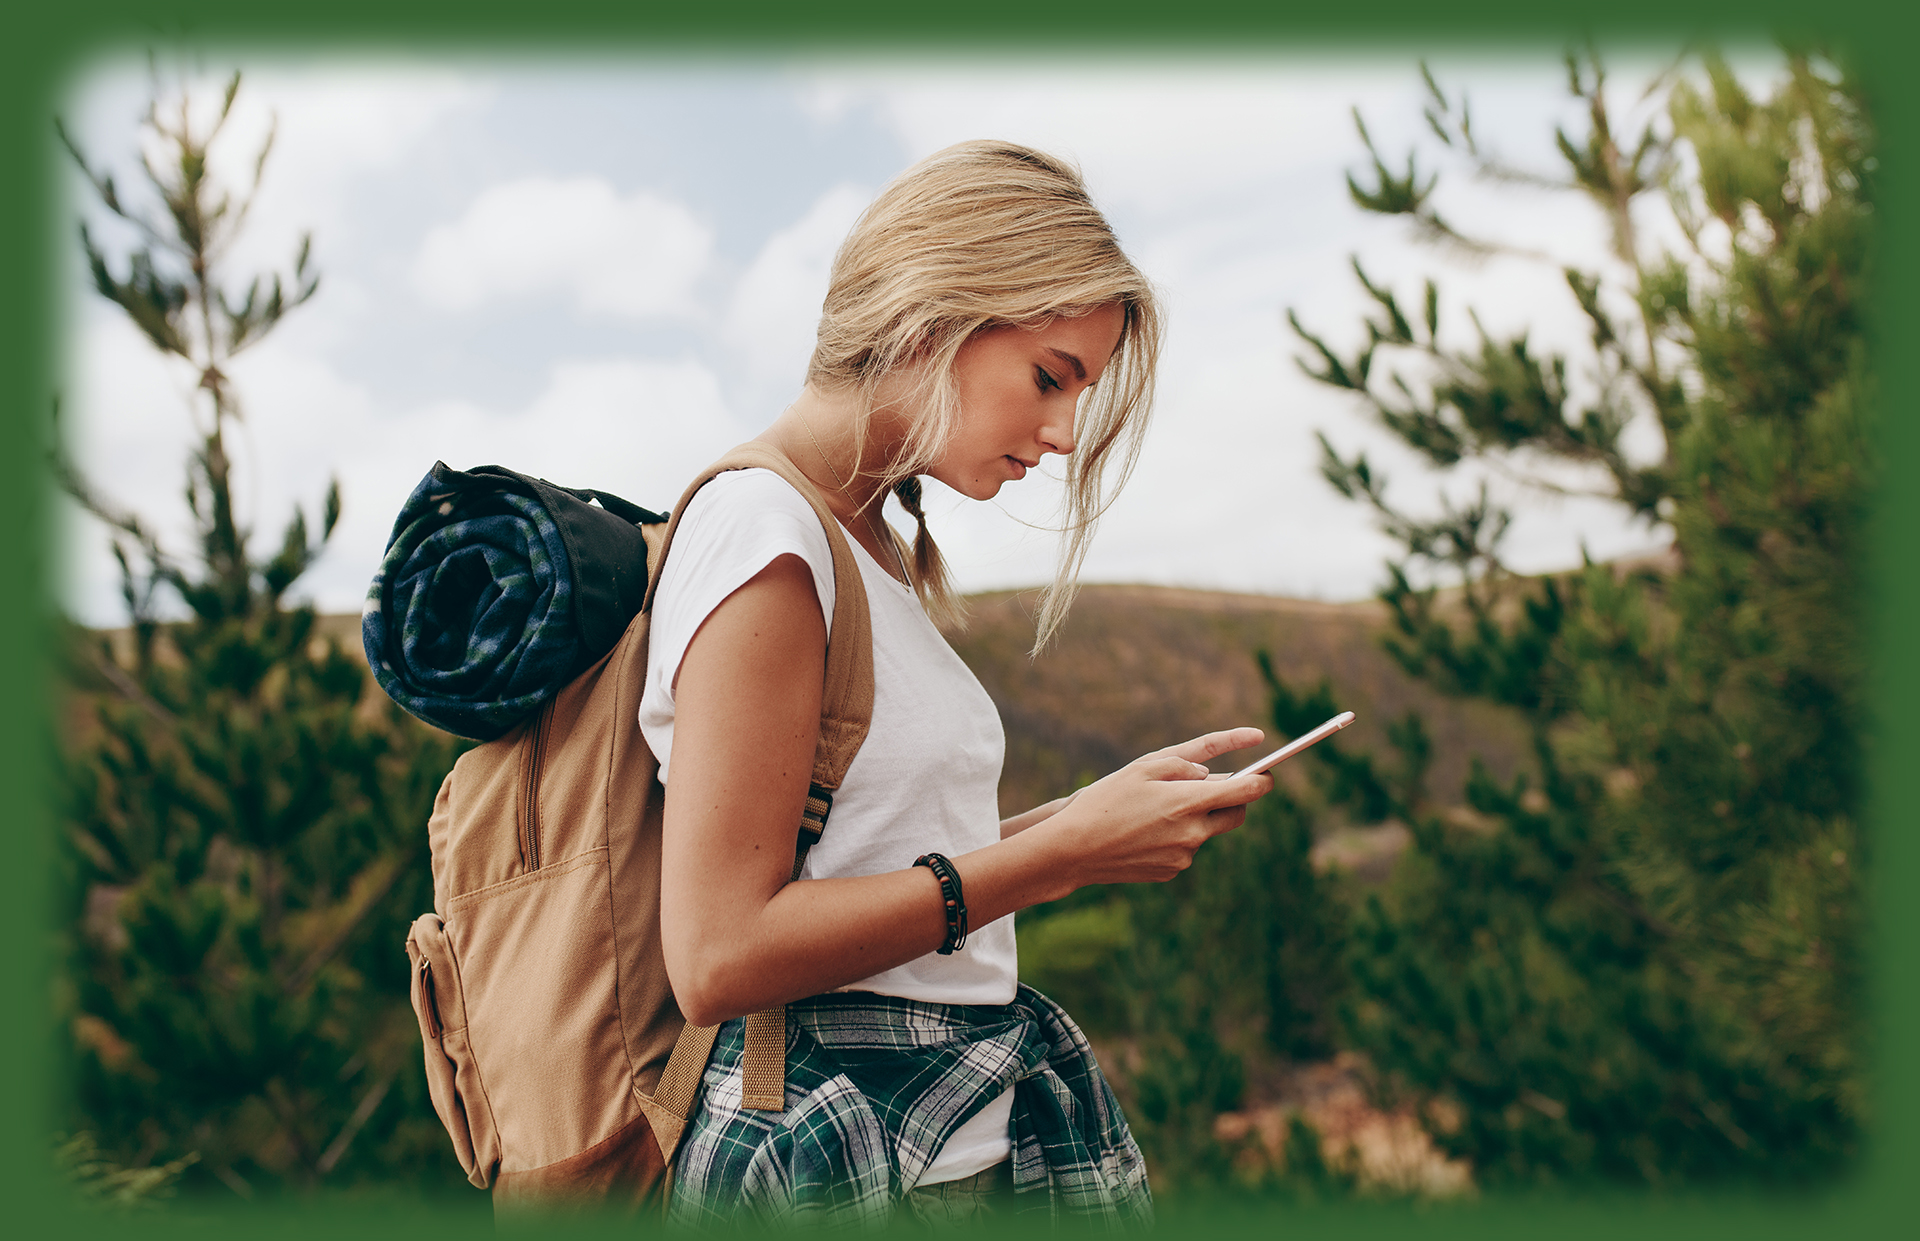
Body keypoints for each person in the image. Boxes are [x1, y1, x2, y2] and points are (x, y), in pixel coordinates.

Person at [639, 140, 1273, 1228]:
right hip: (837, 1157)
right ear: (933, 317)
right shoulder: (768, 535)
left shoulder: (862, 542)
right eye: (1050, 376)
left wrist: (1084, 821)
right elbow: (718, 951)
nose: (1068, 434)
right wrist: (1055, 856)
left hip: (929, 1142)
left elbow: (868, 856)